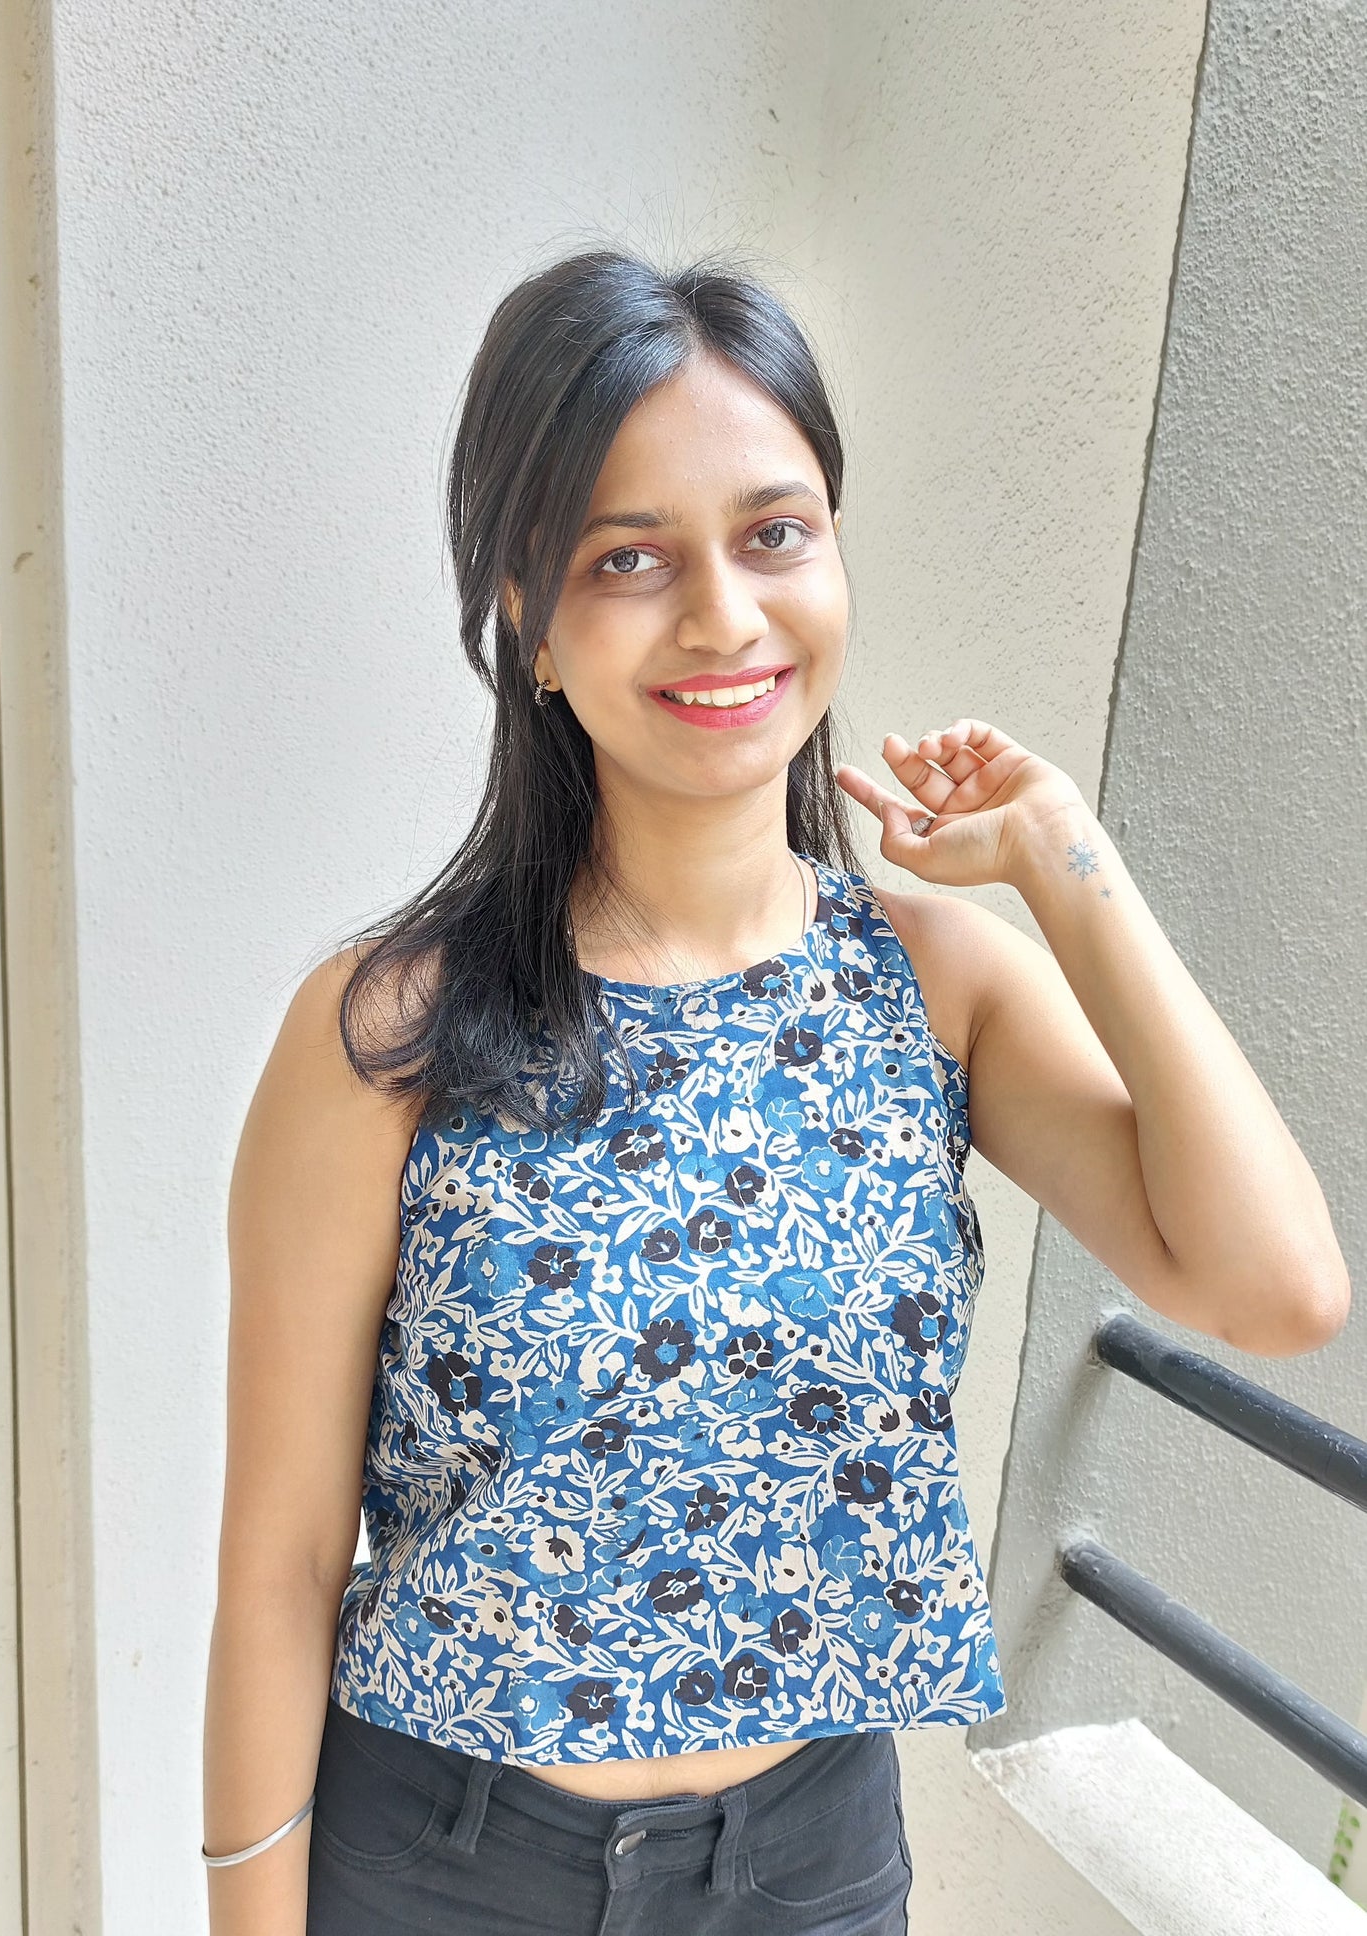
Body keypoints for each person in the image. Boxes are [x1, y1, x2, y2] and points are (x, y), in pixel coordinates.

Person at [201, 248, 1350, 1935]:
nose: (721, 616)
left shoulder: (937, 987)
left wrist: (1061, 855)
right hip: (436, 1864)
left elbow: (1274, 1290)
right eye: (627, 557)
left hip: (803, 1869)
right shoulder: (387, 1031)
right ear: (525, 620)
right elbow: (281, 1566)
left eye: (773, 532)